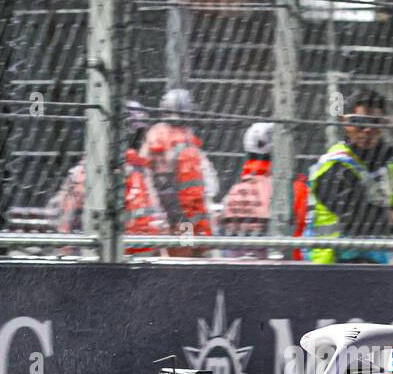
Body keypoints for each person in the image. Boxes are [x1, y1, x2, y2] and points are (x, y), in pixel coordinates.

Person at [48, 101, 167, 254]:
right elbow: (68, 215)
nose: (139, 140)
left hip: (130, 251)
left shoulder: (139, 169)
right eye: (137, 134)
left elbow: (154, 215)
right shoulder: (94, 168)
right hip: (110, 251)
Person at [304, 89, 393, 264]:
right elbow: (358, 221)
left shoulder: (387, 167)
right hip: (332, 264)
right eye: (360, 122)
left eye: (375, 123)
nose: (368, 130)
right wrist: (388, 217)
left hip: (377, 263)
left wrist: (383, 217)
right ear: (345, 123)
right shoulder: (334, 166)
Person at [219, 122, 308, 257]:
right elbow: (303, 236)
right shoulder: (294, 190)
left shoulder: (234, 192)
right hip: (285, 269)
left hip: (235, 271)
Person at [141, 88, 214, 251]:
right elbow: (195, 190)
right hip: (181, 211)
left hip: (157, 207)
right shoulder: (186, 141)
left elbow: (145, 169)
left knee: (165, 251)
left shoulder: (154, 134)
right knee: (184, 253)